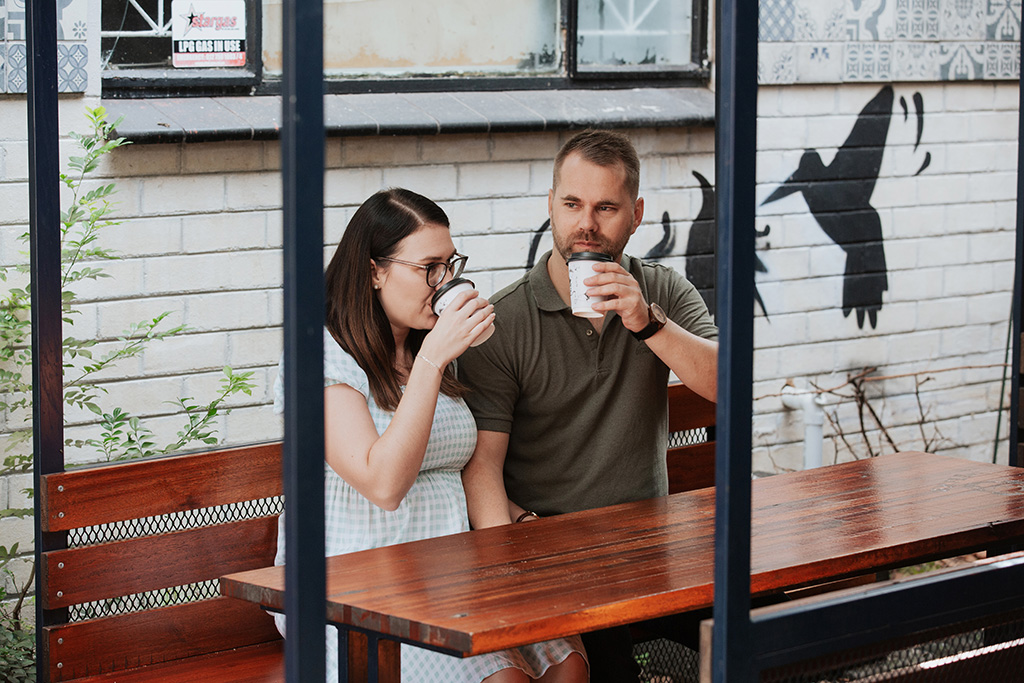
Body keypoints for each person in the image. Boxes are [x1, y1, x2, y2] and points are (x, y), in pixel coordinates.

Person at [272, 188, 588, 683]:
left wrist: (523, 529)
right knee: (505, 679)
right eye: (429, 268)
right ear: (376, 270)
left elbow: (455, 471)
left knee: (567, 661)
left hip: (449, 573)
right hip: (356, 587)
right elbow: (385, 484)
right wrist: (433, 360)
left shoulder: (429, 351)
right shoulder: (321, 357)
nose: (445, 282)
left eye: (451, 265)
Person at [458, 131, 719, 681]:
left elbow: (730, 384)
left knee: (769, 621)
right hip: (554, 559)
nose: (587, 225)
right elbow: (481, 465)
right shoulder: (503, 324)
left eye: (605, 207)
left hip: (650, 549)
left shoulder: (662, 292)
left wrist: (647, 323)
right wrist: (520, 553)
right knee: (605, 663)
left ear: (636, 214)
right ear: (551, 205)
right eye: (572, 204)